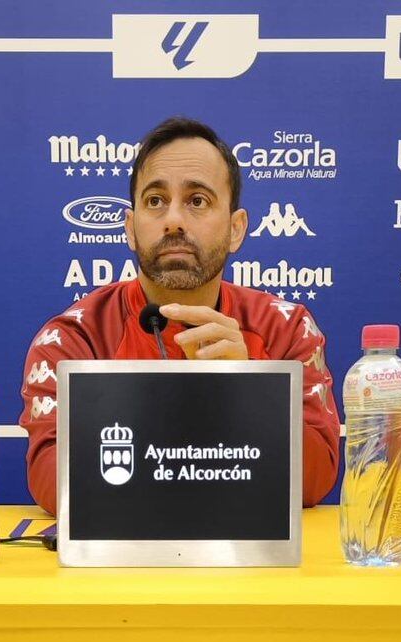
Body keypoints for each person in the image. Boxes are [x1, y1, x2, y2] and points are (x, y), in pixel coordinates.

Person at [20, 116, 340, 514]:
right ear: (130, 228)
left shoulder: (287, 328)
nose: (173, 220)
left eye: (197, 201)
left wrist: (248, 391)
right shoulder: (73, 338)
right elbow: (54, 483)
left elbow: (315, 479)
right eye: (155, 201)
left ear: (236, 229)